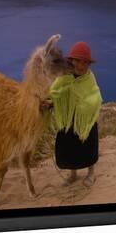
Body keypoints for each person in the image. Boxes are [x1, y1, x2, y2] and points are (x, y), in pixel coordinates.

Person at [41, 41, 103, 187]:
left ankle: (91, 174)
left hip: (84, 120)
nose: (81, 66)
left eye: (85, 62)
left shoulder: (89, 79)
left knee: (88, 147)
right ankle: (73, 174)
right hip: (68, 119)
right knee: (69, 148)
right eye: (78, 61)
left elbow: (95, 98)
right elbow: (56, 94)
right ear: (71, 61)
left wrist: (84, 105)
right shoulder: (63, 78)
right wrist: (50, 103)